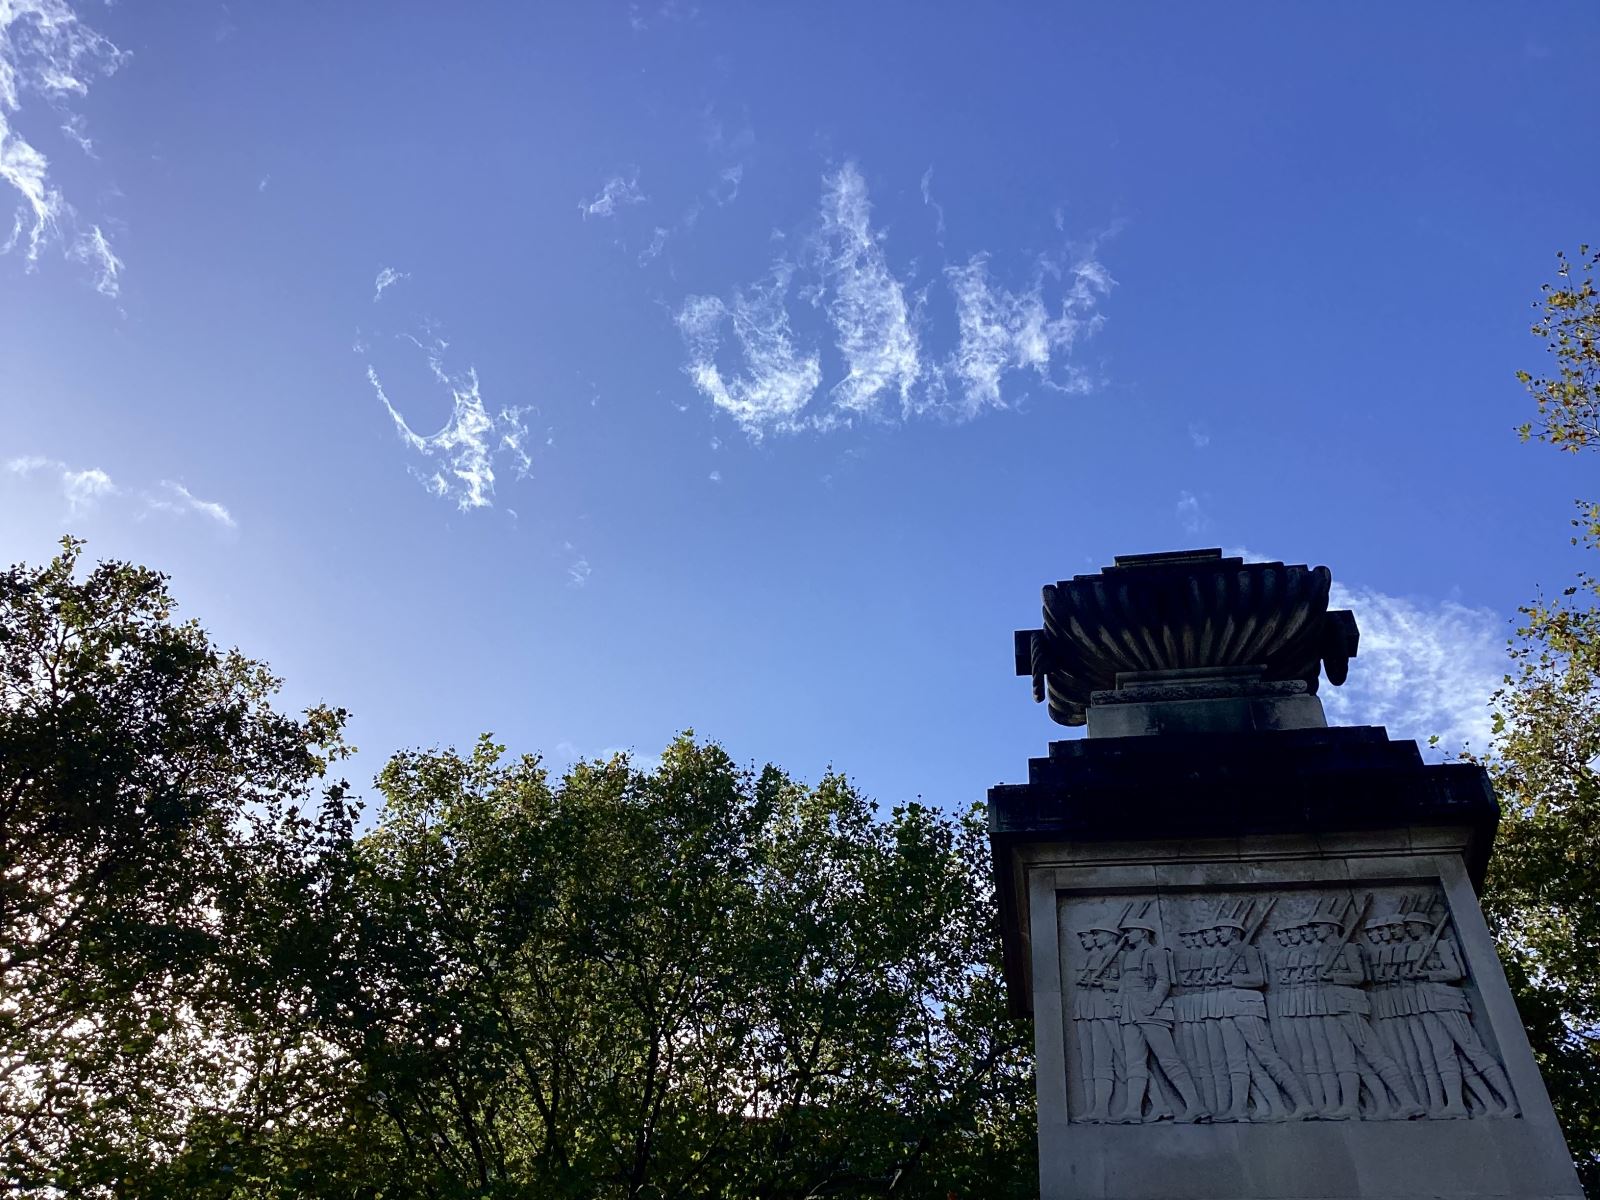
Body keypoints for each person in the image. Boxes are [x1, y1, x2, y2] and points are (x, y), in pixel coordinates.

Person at [1114, 904, 1211, 1124]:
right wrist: (1119, 1005)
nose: (1126, 936)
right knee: (1134, 1062)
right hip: (1130, 1010)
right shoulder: (1126, 957)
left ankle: (1196, 1106)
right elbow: (1124, 983)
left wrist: (1152, 1003)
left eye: (1130, 931)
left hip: (1151, 1010)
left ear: (1144, 933)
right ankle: (1133, 1110)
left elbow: (1163, 980)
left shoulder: (1156, 953)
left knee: (1169, 1060)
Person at [1072, 922, 1125, 1122]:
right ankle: (1092, 1107)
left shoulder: (1119, 955)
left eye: (1097, 934)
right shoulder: (1089, 957)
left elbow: (1128, 984)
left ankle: (1102, 1108)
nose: (1092, 938)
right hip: (1085, 1008)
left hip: (1104, 1008)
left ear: (1110, 936)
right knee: (1088, 1061)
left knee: (1108, 1060)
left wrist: (1104, 983)